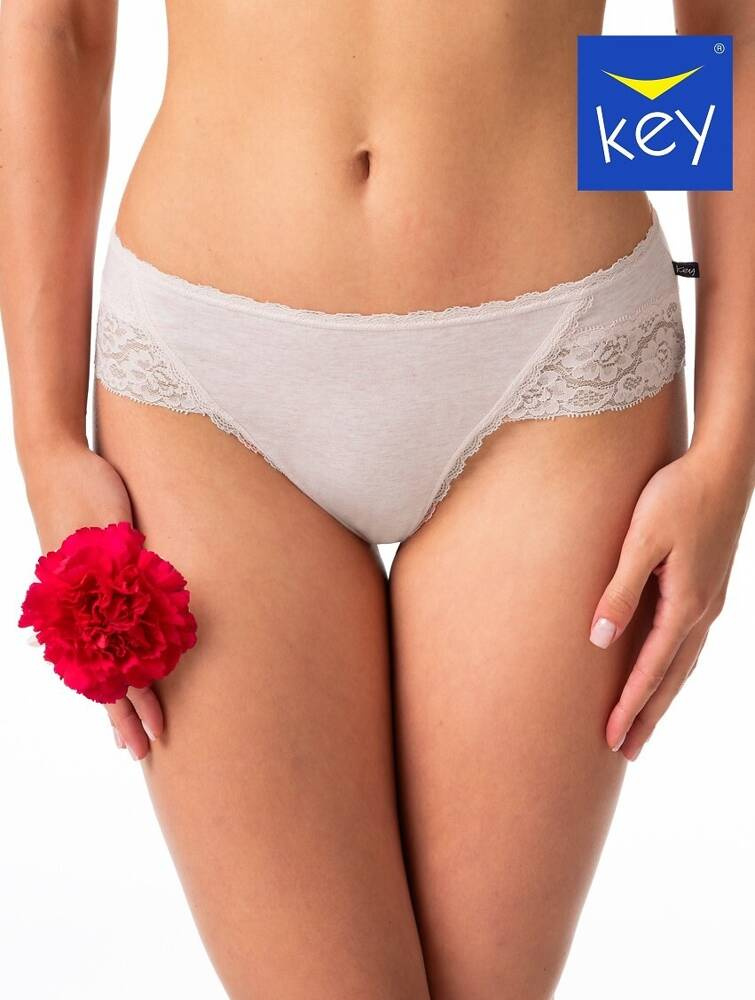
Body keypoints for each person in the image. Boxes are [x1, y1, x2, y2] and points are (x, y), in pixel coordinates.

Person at [0, 3, 752, 998]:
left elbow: (718, 34)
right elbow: (56, 26)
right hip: (202, 387)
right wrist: (44, 437)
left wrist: (728, 450)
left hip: (562, 364)